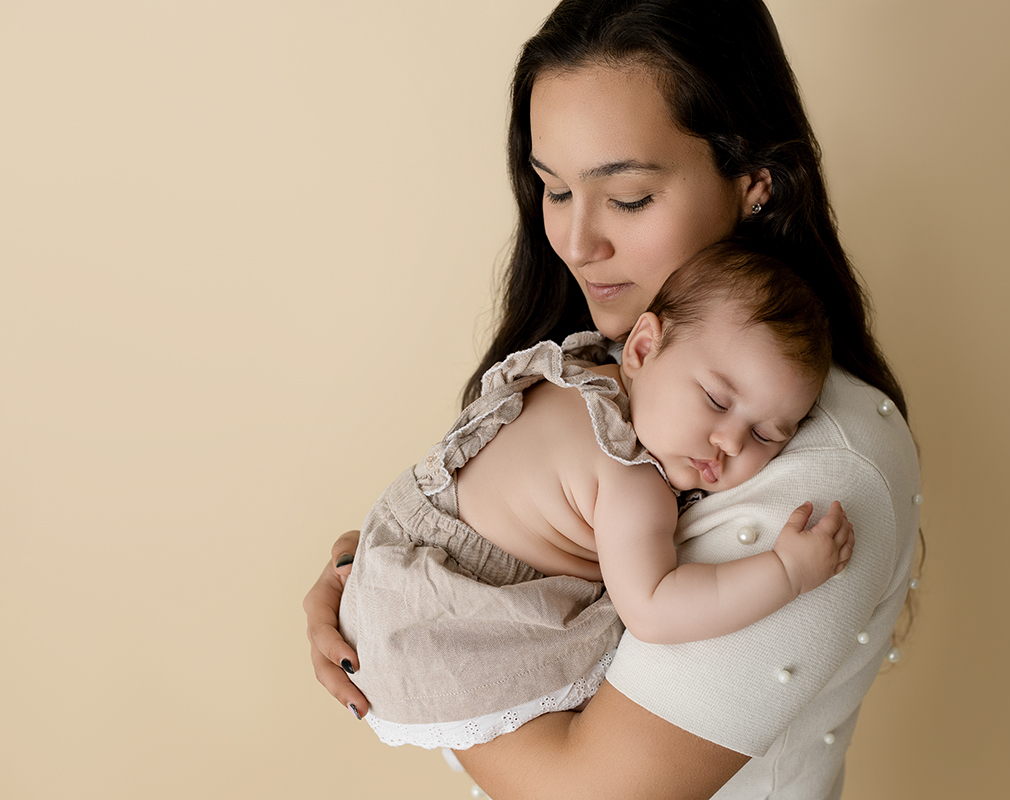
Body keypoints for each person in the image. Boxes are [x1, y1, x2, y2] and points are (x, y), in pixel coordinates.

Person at [304, 1, 922, 797]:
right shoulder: (591, 372)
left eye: (627, 198)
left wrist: (402, 652)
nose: (575, 243)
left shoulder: (821, 473)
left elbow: (592, 791)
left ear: (756, 185)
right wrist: (373, 580)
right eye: (553, 191)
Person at [340, 242, 853, 751]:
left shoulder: (580, 373)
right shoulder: (632, 481)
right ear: (644, 348)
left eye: (766, 436)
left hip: (399, 549)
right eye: (717, 400)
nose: (731, 442)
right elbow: (653, 610)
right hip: (448, 622)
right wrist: (786, 573)